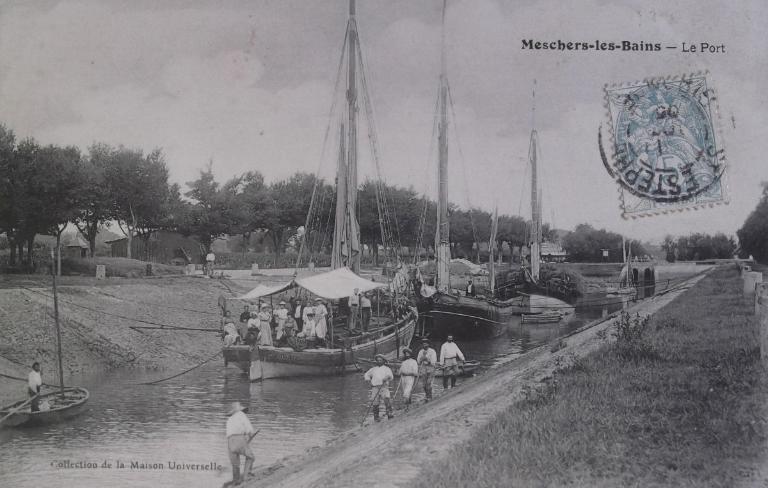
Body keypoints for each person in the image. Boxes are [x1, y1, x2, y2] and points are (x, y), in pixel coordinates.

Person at [225, 401, 255, 485]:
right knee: (251, 457)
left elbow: (231, 432)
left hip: (230, 442)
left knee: (235, 464)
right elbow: (249, 429)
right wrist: (250, 434)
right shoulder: (241, 415)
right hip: (239, 439)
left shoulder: (229, 420)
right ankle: (246, 475)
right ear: (239, 410)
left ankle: (236, 480)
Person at [363, 354, 394, 421]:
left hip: (384, 387)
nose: (379, 361)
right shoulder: (373, 369)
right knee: (375, 402)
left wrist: (387, 377)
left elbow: (391, 376)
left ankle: (389, 414)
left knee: (386, 399)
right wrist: (369, 381)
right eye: (378, 360)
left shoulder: (387, 369)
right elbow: (366, 375)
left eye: (380, 360)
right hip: (375, 387)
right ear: (376, 361)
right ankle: (376, 417)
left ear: (383, 361)